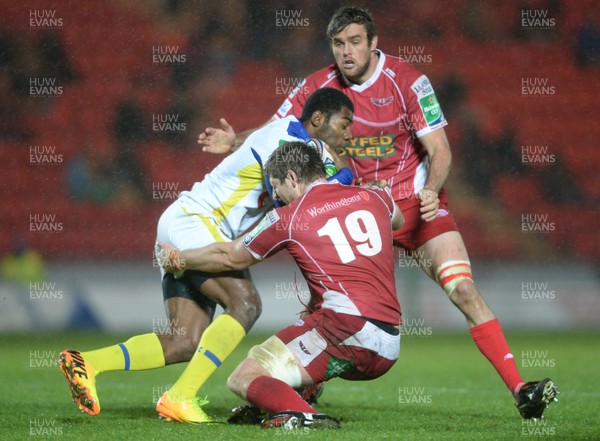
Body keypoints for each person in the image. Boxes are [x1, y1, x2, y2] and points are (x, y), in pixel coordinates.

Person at [198, 6, 559, 419]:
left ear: (373, 43)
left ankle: (521, 388)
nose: (346, 52)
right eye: (338, 44)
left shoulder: (408, 82)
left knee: (462, 289)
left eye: (355, 42)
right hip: (351, 206)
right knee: (326, 308)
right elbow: (276, 128)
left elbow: (440, 149)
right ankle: (301, 393)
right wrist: (235, 141)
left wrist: (431, 190)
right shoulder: (317, 85)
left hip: (414, 205)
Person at [57, 88, 354, 423]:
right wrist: (344, 172)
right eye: (344, 124)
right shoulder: (284, 139)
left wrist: (343, 172)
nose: (349, 133)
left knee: (184, 340)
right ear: (318, 118)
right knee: (246, 303)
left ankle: (86, 363)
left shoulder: (298, 143)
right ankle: (180, 397)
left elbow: (330, 184)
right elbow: (287, 197)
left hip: (188, 224)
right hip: (197, 222)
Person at [156, 141, 405, 430]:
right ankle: (296, 394)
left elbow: (229, 257)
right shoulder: (374, 195)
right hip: (388, 344)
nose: (275, 196)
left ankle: (301, 414)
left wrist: (180, 258)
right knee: (311, 314)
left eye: (275, 187)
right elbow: (397, 220)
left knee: (242, 377)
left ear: (291, 177)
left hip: (347, 331)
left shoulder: (288, 218)